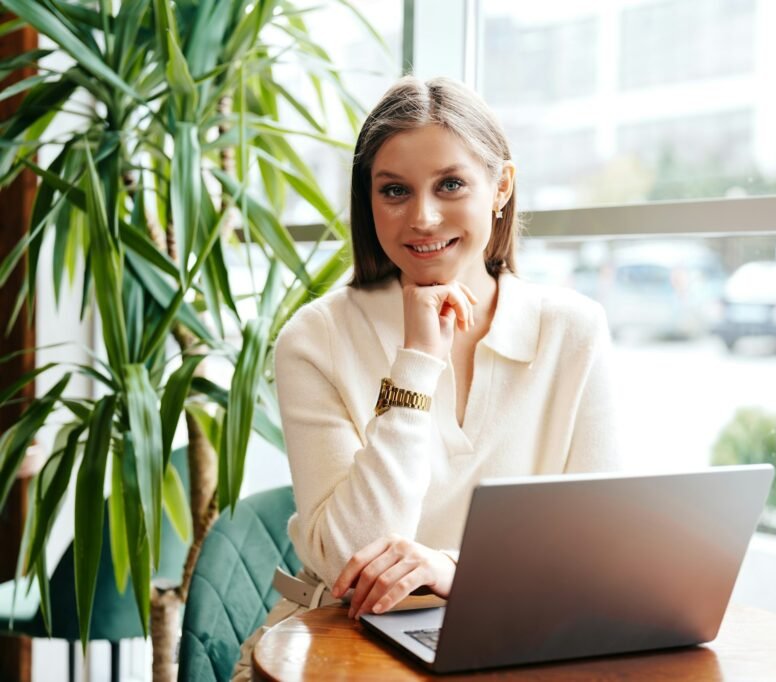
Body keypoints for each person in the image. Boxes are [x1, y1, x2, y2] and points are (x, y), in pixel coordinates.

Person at [232, 75, 621, 679]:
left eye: (451, 184)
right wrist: (417, 360)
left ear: (501, 187)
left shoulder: (574, 330)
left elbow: (598, 555)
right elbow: (348, 562)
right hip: (339, 646)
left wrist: (453, 571)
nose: (423, 216)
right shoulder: (315, 338)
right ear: (369, 201)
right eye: (394, 190)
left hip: (509, 638)